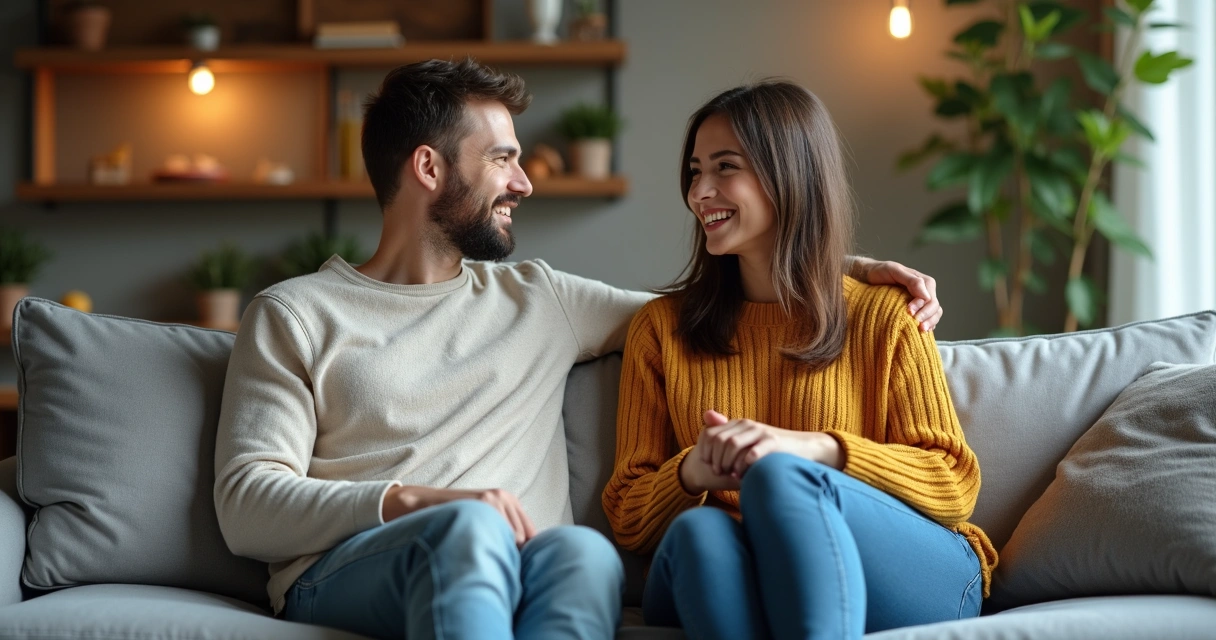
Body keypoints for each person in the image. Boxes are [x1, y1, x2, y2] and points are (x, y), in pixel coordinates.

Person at [213, 58, 948, 640]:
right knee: (466, 532)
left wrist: (844, 269)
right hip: (348, 568)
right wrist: (415, 501)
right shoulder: (296, 313)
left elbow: (713, 303)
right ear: (430, 168)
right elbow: (246, 508)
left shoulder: (540, 300)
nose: (525, 182)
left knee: (587, 554)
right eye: (502, 159)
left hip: (527, 558)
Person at [603, 81, 998, 640]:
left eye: (724, 168)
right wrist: (695, 470)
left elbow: (954, 482)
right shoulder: (662, 330)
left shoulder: (884, 316)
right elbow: (626, 512)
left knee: (780, 476)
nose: (700, 192)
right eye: (694, 172)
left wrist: (812, 450)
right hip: (744, 567)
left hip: (910, 571)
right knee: (699, 537)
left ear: (789, 175)